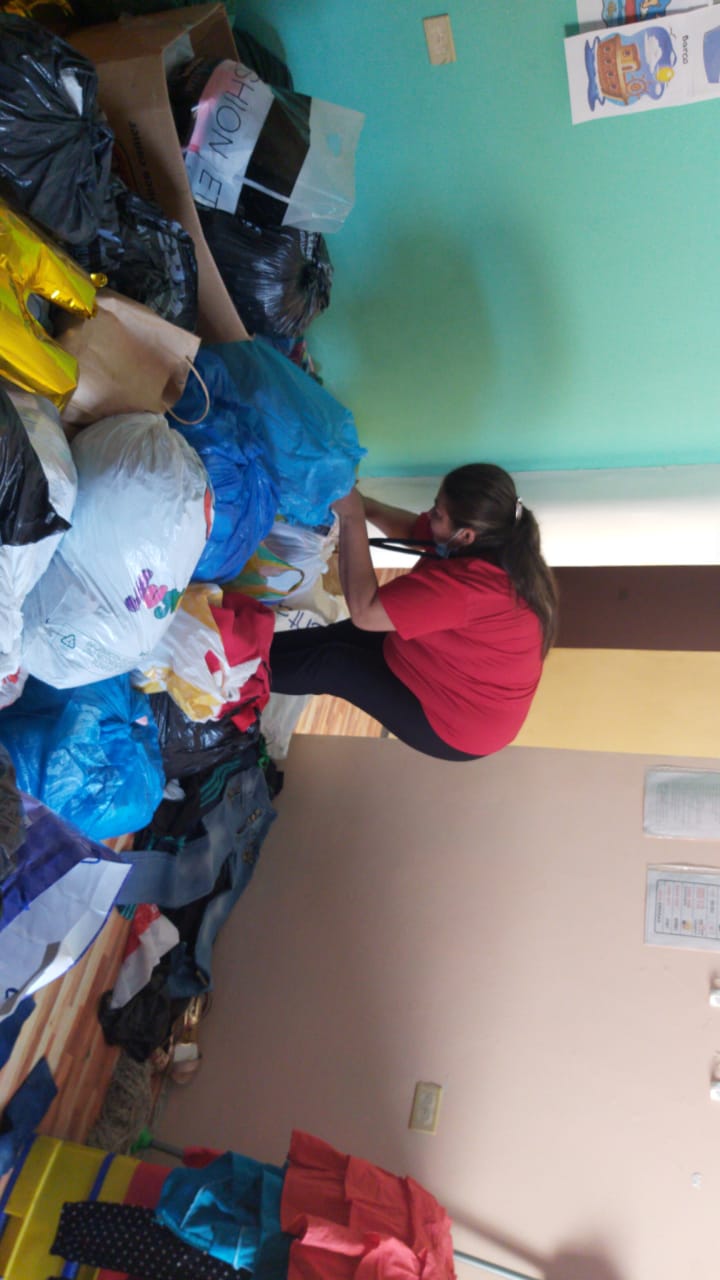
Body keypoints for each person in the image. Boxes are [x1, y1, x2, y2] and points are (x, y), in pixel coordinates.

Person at [269, 463, 558, 762]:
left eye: (438, 514)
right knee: (335, 638)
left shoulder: (474, 589)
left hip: (463, 724)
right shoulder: (492, 541)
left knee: (334, 665)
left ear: (466, 535)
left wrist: (352, 515)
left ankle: (238, 677)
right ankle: (248, 651)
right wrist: (359, 502)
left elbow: (366, 612)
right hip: (448, 663)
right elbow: (413, 531)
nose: (429, 515)